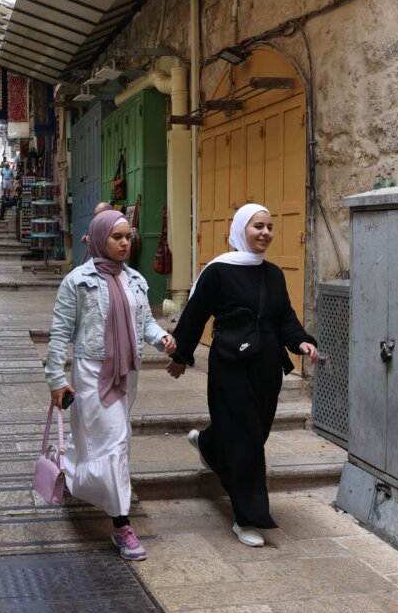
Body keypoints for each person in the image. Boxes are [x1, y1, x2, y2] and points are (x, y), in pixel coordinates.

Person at [167, 203, 320, 547]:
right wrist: (181, 354)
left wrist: (303, 343)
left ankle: (208, 444)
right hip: (230, 367)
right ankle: (248, 519)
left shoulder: (274, 274)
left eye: (269, 227)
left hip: (267, 367)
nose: (265, 233)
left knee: (255, 433)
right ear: (240, 231)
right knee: (247, 440)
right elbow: (195, 313)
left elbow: (285, 319)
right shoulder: (218, 271)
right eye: (258, 227)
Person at [46, 211, 176, 561]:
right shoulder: (78, 281)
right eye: (116, 237)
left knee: (112, 441)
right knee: (115, 442)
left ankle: (74, 469)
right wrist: (56, 378)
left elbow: (145, 321)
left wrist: (161, 336)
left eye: (127, 237)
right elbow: (60, 332)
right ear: (100, 237)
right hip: (92, 372)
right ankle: (121, 525)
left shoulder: (135, 280)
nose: (124, 243)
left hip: (127, 372)